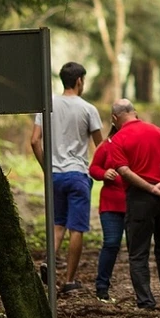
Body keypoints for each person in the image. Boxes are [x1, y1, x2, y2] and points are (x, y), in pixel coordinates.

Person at [31, 62, 103, 294]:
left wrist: (47, 168)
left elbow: (34, 140)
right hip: (77, 174)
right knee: (76, 228)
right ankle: (70, 280)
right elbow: (101, 147)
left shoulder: (46, 105)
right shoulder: (88, 109)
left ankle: (48, 262)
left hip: (55, 175)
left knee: (58, 224)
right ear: (79, 81)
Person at [106, 99, 160, 310]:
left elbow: (124, 171)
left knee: (138, 252)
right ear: (135, 113)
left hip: (139, 198)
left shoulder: (118, 139)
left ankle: (146, 301)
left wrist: (150, 188)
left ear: (114, 118)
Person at [89, 108, 128, 303]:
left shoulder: (136, 144)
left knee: (138, 248)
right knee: (111, 243)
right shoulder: (107, 145)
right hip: (111, 204)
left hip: (134, 204)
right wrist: (104, 173)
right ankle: (102, 287)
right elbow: (93, 168)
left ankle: (142, 292)